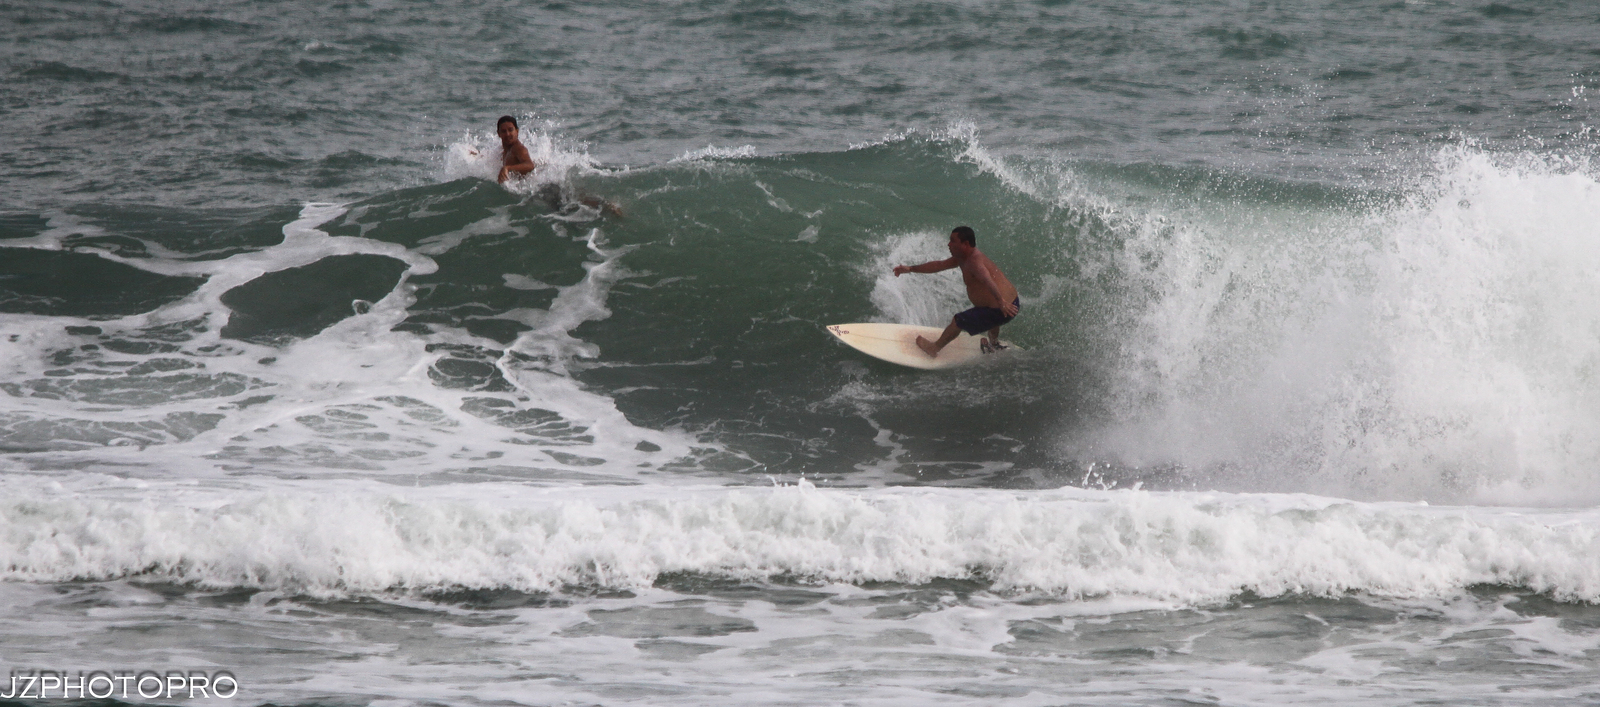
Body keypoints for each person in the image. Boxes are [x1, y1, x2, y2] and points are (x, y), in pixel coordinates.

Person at [893, 226, 1020, 358]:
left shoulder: (974, 262)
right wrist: (910, 269)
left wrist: (1001, 302)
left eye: (953, 241)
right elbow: (939, 265)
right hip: (1010, 302)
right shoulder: (963, 257)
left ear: (965, 244)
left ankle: (934, 348)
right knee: (989, 316)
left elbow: (988, 280)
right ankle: (994, 344)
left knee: (958, 321)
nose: (949, 244)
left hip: (1004, 308)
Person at [496, 115, 536, 183]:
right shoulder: (504, 150)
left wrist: (507, 168)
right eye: (503, 131)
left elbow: (530, 165)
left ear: (517, 131)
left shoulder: (518, 148)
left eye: (510, 130)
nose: (507, 134)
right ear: (499, 134)